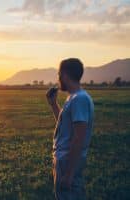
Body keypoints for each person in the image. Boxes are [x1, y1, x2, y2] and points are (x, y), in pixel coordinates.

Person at [46, 58, 94, 200]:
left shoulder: (79, 99)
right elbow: (65, 127)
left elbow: (78, 138)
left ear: (64, 75)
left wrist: (69, 174)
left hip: (67, 161)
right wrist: (53, 104)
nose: (58, 78)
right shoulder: (73, 98)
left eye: (59, 74)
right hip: (65, 160)